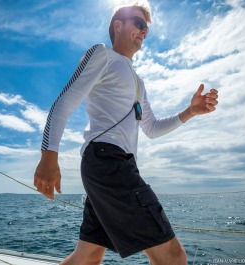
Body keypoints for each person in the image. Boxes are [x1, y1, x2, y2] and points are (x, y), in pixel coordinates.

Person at [34, 2, 218, 264]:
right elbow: (65, 101)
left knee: (87, 256)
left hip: (113, 165)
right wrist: (49, 155)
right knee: (173, 257)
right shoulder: (102, 54)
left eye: (147, 29)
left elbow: (151, 128)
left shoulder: (138, 82)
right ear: (118, 25)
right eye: (139, 24)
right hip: (108, 161)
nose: (144, 31)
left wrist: (190, 111)